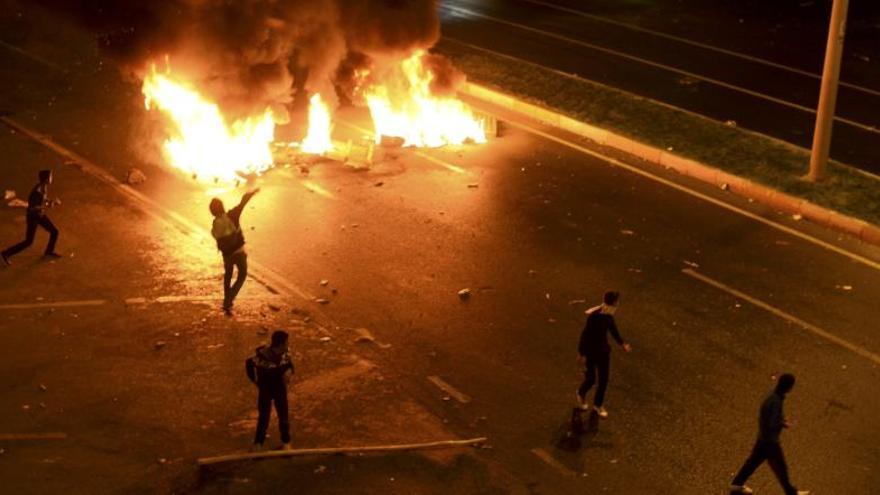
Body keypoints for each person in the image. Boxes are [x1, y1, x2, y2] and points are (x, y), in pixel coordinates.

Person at [729, 374, 810, 495]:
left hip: (763, 438)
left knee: (752, 462)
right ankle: (791, 492)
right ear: (789, 387)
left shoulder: (771, 396)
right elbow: (772, 423)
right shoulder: (776, 401)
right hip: (770, 441)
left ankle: (737, 484)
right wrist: (782, 423)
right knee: (781, 468)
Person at [576, 290, 631, 418]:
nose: (618, 304)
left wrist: (622, 344)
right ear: (612, 303)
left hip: (603, 352)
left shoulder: (609, 316)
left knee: (604, 380)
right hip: (591, 352)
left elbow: (613, 330)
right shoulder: (594, 316)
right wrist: (581, 353)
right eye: (617, 302)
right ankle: (581, 393)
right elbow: (585, 335)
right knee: (591, 379)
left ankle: (598, 405)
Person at [209, 188, 259, 313]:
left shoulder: (215, 223)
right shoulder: (233, 214)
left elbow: (216, 237)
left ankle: (227, 299)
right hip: (239, 252)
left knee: (228, 275)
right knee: (242, 275)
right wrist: (251, 193)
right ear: (222, 206)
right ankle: (229, 299)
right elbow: (243, 203)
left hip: (227, 254)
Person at [246, 330, 294, 451]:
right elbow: (249, 363)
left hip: (280, 389)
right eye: (286, 342)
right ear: (280, 344)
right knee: (264, 417)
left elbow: (290, 365)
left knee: (283, 416)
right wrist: (255, 381)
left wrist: (290, 372)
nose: (288, 344)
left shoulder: (285, 354)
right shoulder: (263, 356)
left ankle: (286, 442)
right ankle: (258, 443)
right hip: (266, 390)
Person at [2, 169, 62, 265]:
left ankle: (49, 251)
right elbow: (32, 207)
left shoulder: (43, 187)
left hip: (40, 215)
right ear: (46, 179)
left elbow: (44, 200)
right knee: (28, 241)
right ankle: (6, 253)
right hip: (33, 217)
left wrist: (51, 202)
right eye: (50, 176)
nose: (51, 178)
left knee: (54, 231)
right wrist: (46, 206)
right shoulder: (36, 192)